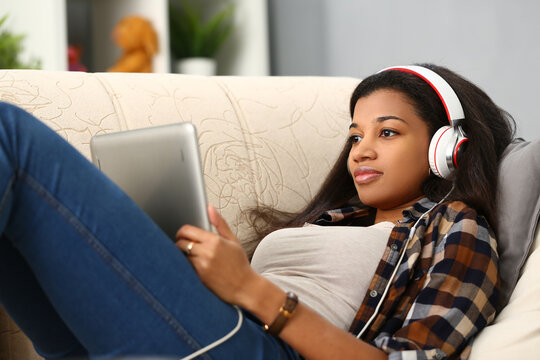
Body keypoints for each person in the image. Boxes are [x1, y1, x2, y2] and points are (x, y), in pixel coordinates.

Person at [0, 63, 515, 360]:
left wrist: (250, 289)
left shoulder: (459, 229)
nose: (360, 150)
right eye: (355, 135)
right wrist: (220, 270)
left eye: (387, 132)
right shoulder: (339, 221)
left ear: (445, 147)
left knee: (11, 139)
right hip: (212, 329)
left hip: (251, 348)